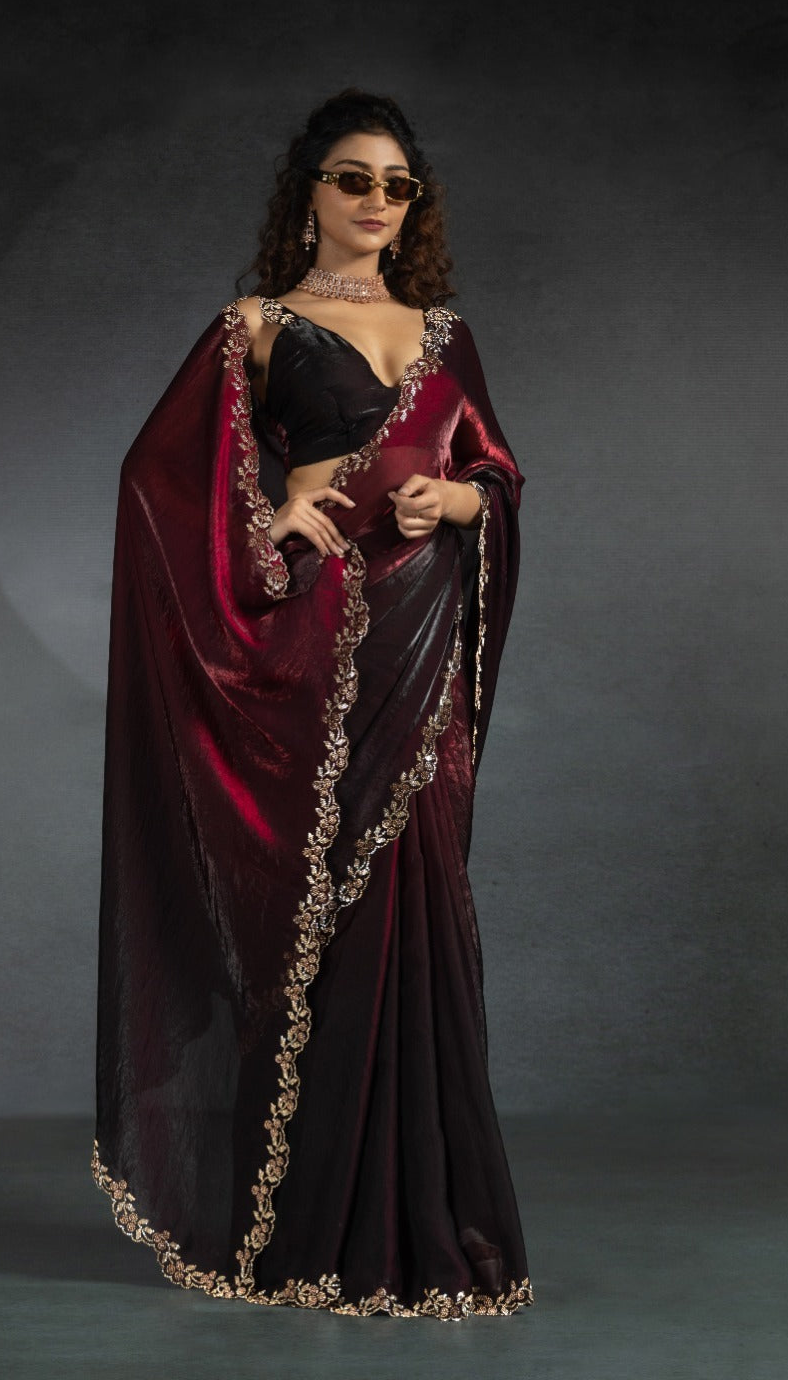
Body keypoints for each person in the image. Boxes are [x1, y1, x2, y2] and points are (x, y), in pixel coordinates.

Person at [92, 88, 534, 1321]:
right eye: (353, 178)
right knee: (325, 904)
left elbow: (494, 470)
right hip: (326, 633)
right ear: (310, 194)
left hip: (425, 632)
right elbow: (160, 482)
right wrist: (271, 509)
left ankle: (426, 1217)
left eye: (397, 185)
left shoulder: (444, 333)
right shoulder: (256, 326)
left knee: (421, 887)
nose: (376, 201)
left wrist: (460, 503)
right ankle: (308, 1229)